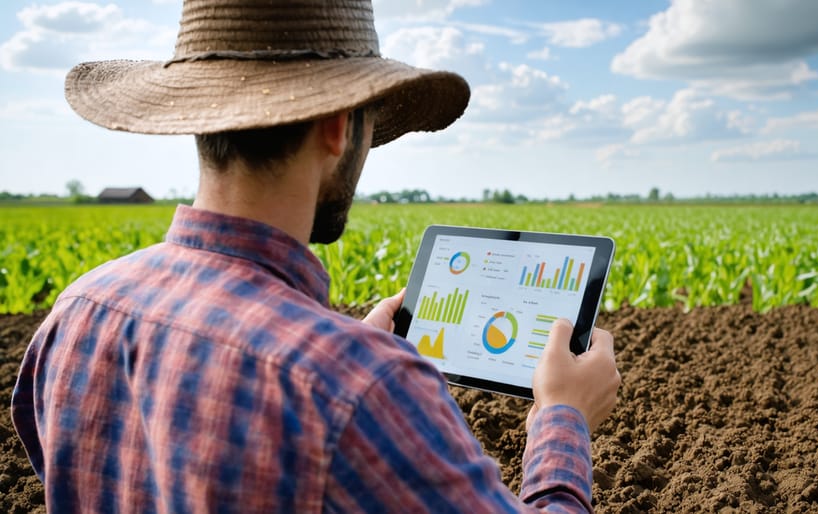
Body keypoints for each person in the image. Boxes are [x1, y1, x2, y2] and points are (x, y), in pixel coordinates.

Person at [11, 0, 621, 512]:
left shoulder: (80, 310)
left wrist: (338, 347)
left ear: (200, 119)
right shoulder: (358, 386)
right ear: (337, 126)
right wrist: (562, 414)